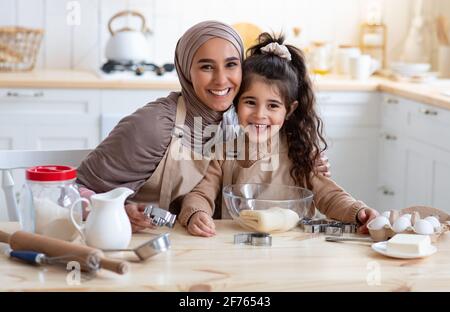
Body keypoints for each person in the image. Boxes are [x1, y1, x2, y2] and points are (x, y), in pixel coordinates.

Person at [76, 21, 330, 232]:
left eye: (231, 65)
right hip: (136, 245)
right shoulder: (153, 126)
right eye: (206, 66)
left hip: (201, 248)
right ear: (186, 70)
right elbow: (73, 191)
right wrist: (119, 211)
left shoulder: (237, 120)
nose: (221, 79)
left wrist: (305, 160)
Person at [179, 33, 379, 237]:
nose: (259, 114)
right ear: (236, 103)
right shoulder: (223, 152)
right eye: (250, 102)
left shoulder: (299, 152)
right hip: (238, 248)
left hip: (293, 251)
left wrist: (358, 212)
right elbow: (201, 193)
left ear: (289, 110)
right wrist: (197, 213)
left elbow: (330, 197)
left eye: (273, 105)